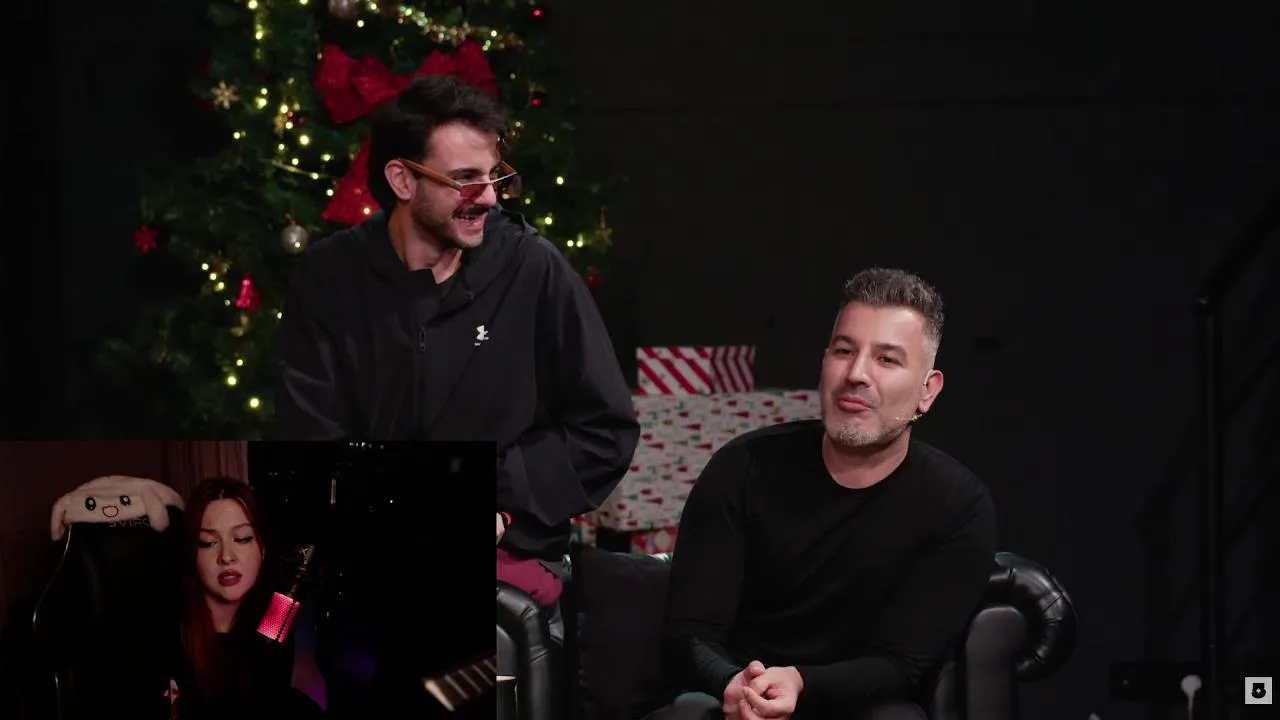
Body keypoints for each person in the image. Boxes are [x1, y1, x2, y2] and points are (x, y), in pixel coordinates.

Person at [274, 75, 639, 577]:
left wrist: (499, 503)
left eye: (494, 176)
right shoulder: (329, 276)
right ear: (403, 181)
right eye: (465, 179)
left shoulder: (533, 268)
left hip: (506, 549)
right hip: (372, 544)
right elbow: (309, 435)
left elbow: (605, 429)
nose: (488, 198)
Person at [655, 268, 997, 720]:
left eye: (887, 359)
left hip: (856, 706)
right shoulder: (744, 467)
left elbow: (902, 663)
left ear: (926, 391)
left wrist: (801, 681)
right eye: (844, 351)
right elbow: (690, 631)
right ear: (824, 362)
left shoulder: (957, 507)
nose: (856, 374)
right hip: (737, 698)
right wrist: (731, 683)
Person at [171, 476, 324, 719]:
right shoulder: (170, 628)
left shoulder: (276, 615)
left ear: (262, 549)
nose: (226, 556)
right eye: (208, 542)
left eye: (242, 538)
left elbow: (268, 697)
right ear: (192, 553)